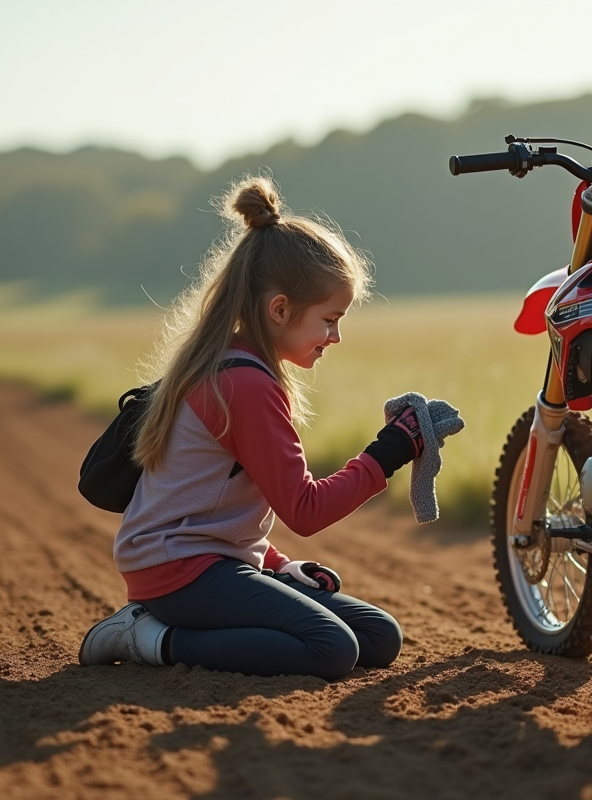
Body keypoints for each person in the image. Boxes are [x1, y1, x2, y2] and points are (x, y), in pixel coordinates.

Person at [78, 175, 438, 681]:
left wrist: (278, 566)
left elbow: (217, 507)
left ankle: (184, 620)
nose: (336, 336)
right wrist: (391, 449)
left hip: (214, 562)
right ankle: (148, 637)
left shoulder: (237, 364)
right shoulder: (245, 385)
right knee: (330, 648)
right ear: (280, 309)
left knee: (378, 636)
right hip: (178, 571)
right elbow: (304, 509)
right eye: (330, 319)